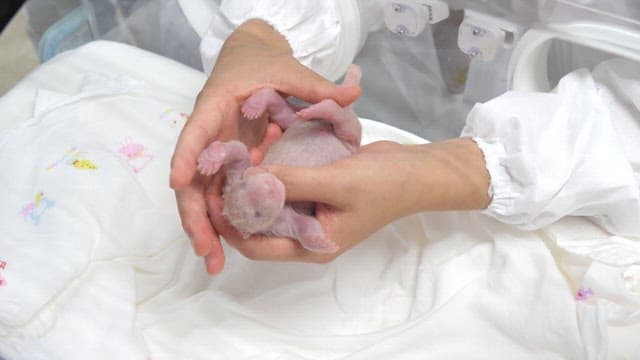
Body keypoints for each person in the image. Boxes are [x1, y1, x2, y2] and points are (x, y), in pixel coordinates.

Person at [170, 3, 640, 275]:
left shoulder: (260, 186)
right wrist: (260, 39)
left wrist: (447, 171)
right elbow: (305, 228)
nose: (267, 189)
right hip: (353, 104)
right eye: (260, 208)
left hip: (590, 139)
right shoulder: (270, 203)